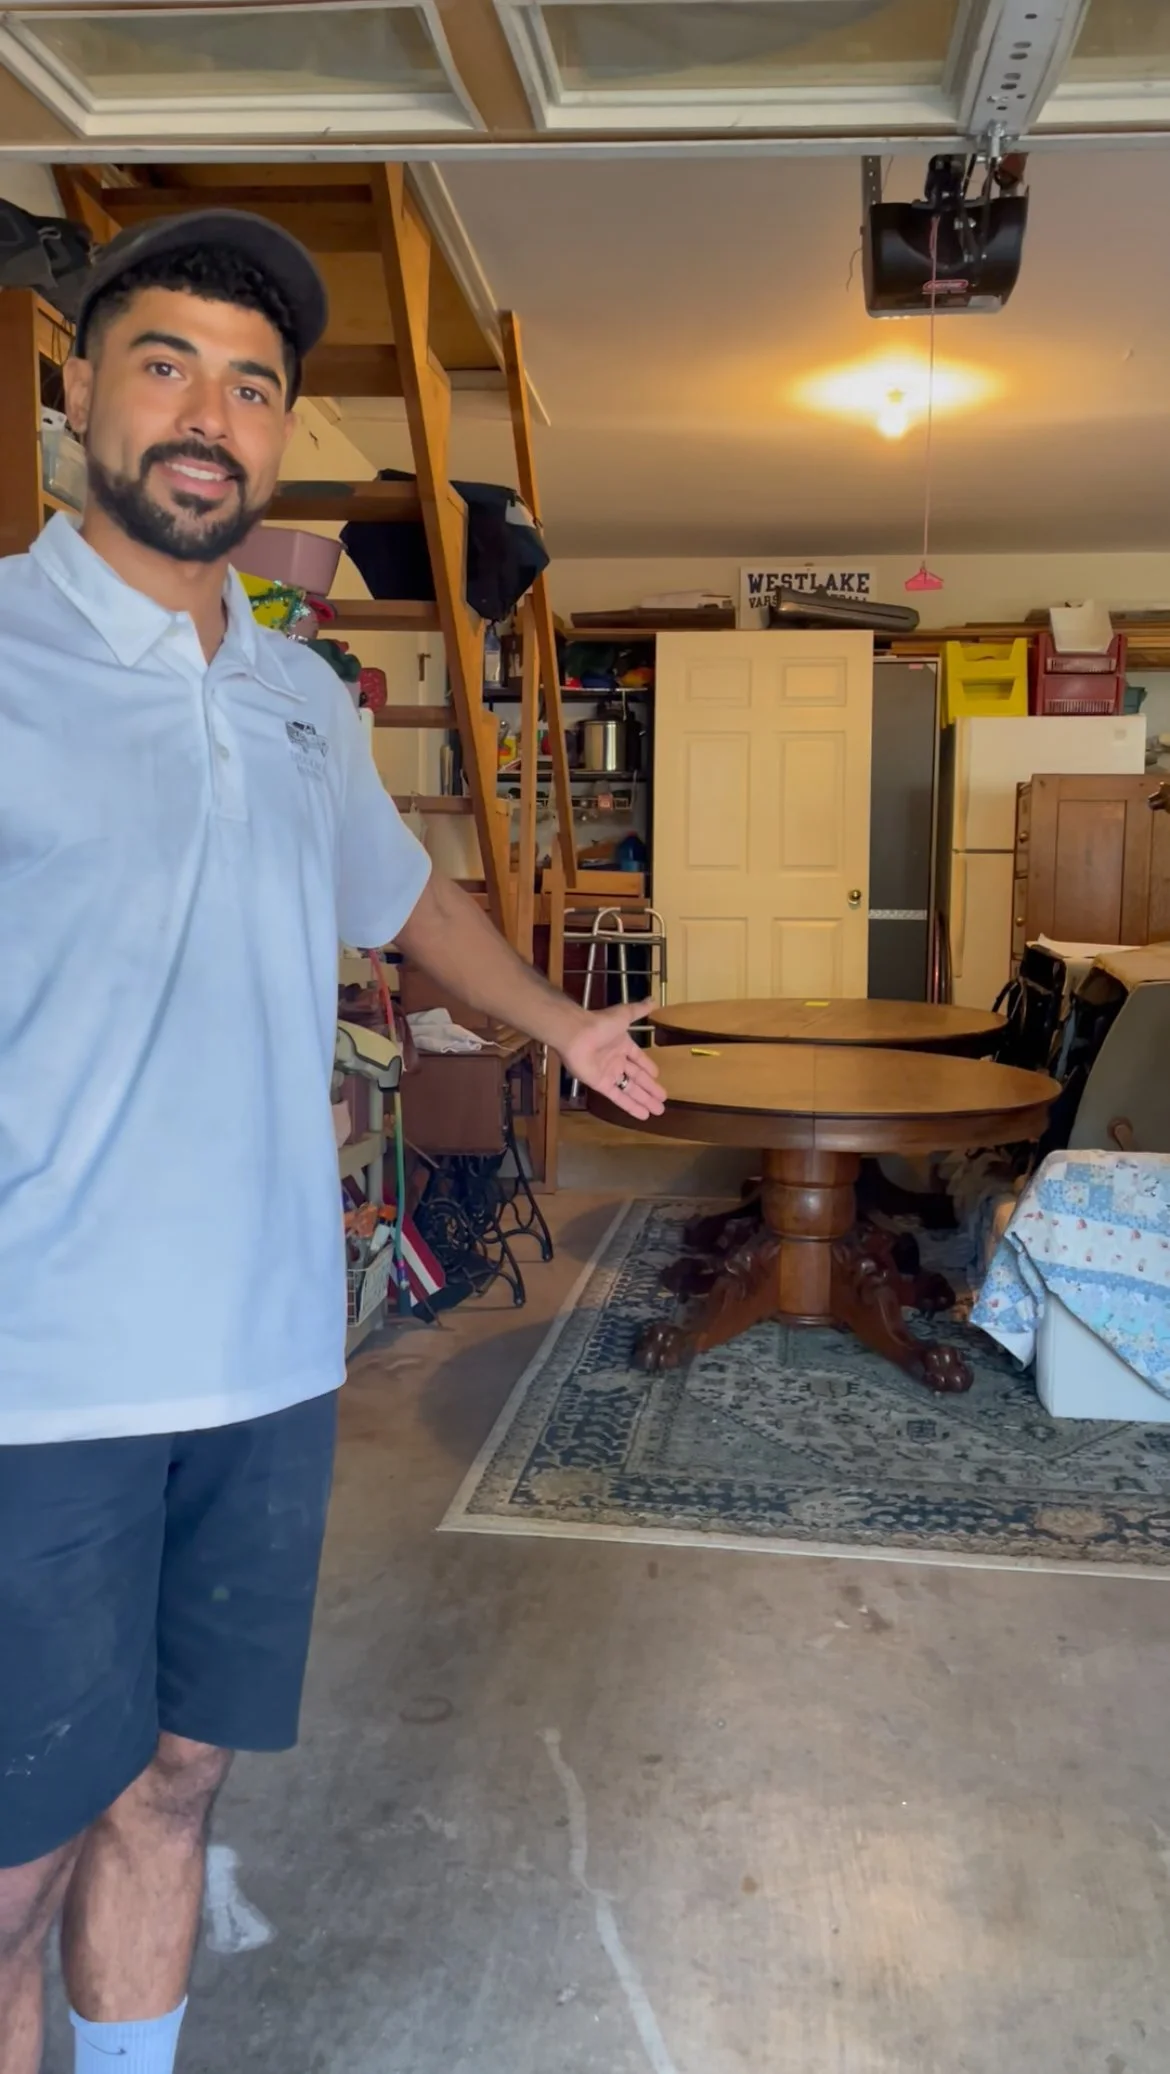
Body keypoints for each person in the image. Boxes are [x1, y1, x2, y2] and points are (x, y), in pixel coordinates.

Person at [0, 209, 663, 2074]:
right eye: (165, 364)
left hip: (273, 1356)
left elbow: (411, 903)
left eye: (253, 383)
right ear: (79, 394)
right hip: (35, 1379)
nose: (209, 413)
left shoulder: (299, 694)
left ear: (282, 430)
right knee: (11, 1859)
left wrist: (557, 1025)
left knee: (174, 1783)